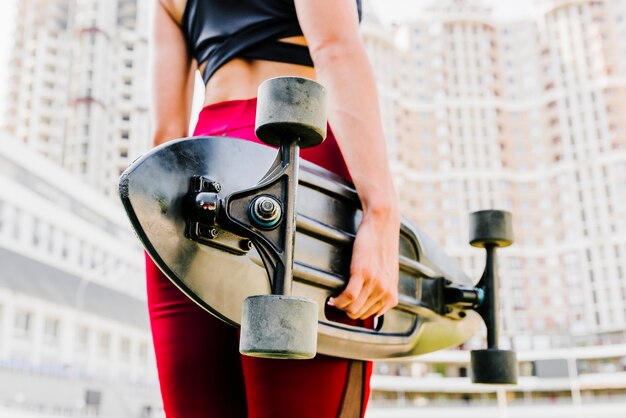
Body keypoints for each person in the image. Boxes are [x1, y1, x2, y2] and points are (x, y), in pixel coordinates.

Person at [149, 1, 400, 417]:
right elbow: (334, 47)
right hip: (295, 144)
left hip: (192, 173)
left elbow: (165, 131)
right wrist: (381, 213)